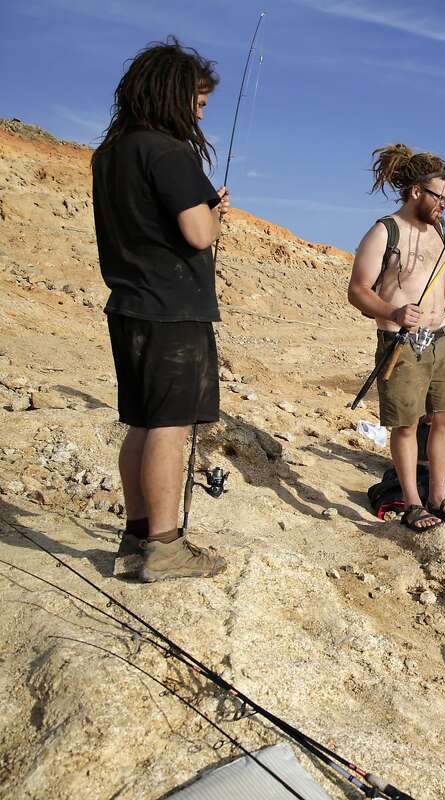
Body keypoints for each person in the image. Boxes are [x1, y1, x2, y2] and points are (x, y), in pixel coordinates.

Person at [94, 38, 230, 582]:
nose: (201, 109)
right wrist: (216, 213)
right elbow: (197, 233)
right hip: (171, 308)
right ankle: (166, 545)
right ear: (172, 93)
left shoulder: (111, 154)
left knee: (142, 423)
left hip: (128, 304)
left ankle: (136, 538)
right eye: (197, 99)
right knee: (169, 427)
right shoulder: (169, 151)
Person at [347, 144, 445, 532]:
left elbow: (441, 273)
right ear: (417, 191)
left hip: (439, 341)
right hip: (400, 342)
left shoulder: (435, 231)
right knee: (405, 425)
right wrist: (393, 312)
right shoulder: (385, 230)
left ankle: (437, 496)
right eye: (440, 197)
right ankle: (413, 504)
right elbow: (358, 290)